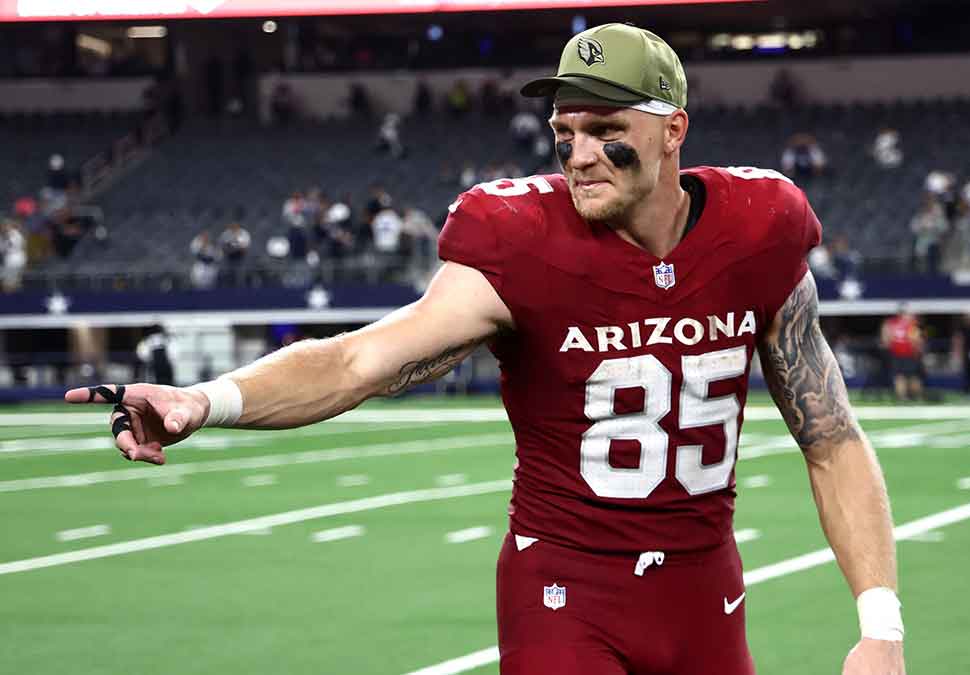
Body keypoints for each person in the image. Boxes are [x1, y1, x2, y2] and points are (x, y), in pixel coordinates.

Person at [65, 24, 904, 675]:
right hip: (566, 587)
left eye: (605, 128)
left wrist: (880, 627)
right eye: (564, 131)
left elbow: (830, 434)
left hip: (704, 584)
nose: (579, 154)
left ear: (672, 129)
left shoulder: (759, 229)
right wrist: (205, 400)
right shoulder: (519, 240)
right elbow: (360, 360)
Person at [881, 305, 924, 401]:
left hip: (898, 354)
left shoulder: (890, 323)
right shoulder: (911, 324)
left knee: (901, 377)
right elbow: (916, 341)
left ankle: (903, 398)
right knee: (911, 377)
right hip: (908, 355)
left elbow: (885, 340)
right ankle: (915, 397)